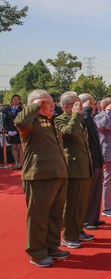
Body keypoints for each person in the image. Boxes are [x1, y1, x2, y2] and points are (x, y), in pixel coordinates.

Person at [15, 89, 70, 267]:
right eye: (47, 104)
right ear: (36, 104)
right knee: (38, 217)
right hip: (39, 176)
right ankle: (37, 253)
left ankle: (52, 247)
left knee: (55, 215)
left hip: (58, 174)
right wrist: (36, 104)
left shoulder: (50, 122)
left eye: (53, 103)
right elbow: (19, 121)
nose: (52, 106)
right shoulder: (30, 123)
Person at [55, 91, 93, 249]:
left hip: (84, 165)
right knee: (72, 203)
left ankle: (77, 230)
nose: (80, 106)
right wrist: (76, 115)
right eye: (76, 103)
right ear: (66, 107)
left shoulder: (77, 118)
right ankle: (68, 235)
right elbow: (70, 132)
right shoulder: (60, 119)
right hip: (73, 167)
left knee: (82, 202)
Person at [79, 93, 105, 230]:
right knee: (89, 194)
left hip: (97, 159)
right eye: (92, 104)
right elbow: (86, 125)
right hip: (89, 161)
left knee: (96, 192)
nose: (95, 106)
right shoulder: (83, 117)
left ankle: (93, 218)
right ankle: (87, 220)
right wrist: (86, 110)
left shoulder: (91, 117)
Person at [1, 94, 24, 169]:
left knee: (20, 147)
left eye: (17, 99)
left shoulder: (22, 109)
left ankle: (21, 163)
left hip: (19, 131)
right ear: (12, 100)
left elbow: (23, 121)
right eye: (14, 99)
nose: (16, 100)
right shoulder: (8, 109)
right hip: (10, 131)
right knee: (14, 147)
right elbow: (6, 121)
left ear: (19, 100)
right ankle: (16, 163)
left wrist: (17, 130)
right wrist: (8, 131)